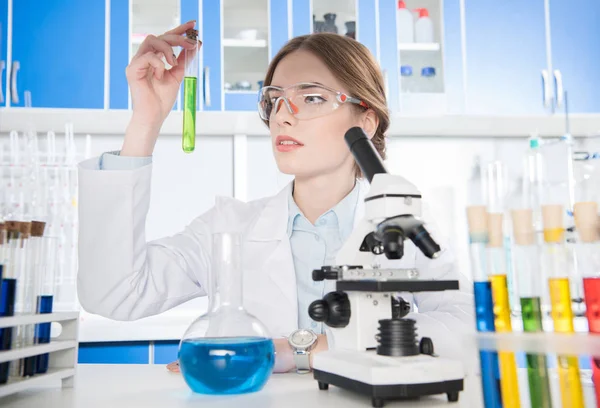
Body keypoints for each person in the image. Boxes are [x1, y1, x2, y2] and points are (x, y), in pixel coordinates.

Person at [77, 20, 474, 374]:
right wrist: (146, 119)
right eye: (275, 99)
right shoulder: (229, 228)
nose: (283, 116)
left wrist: (312, 350)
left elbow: (468, 325)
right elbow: (115, 294)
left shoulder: (404, 225)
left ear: (366, 121)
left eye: (312, 97)